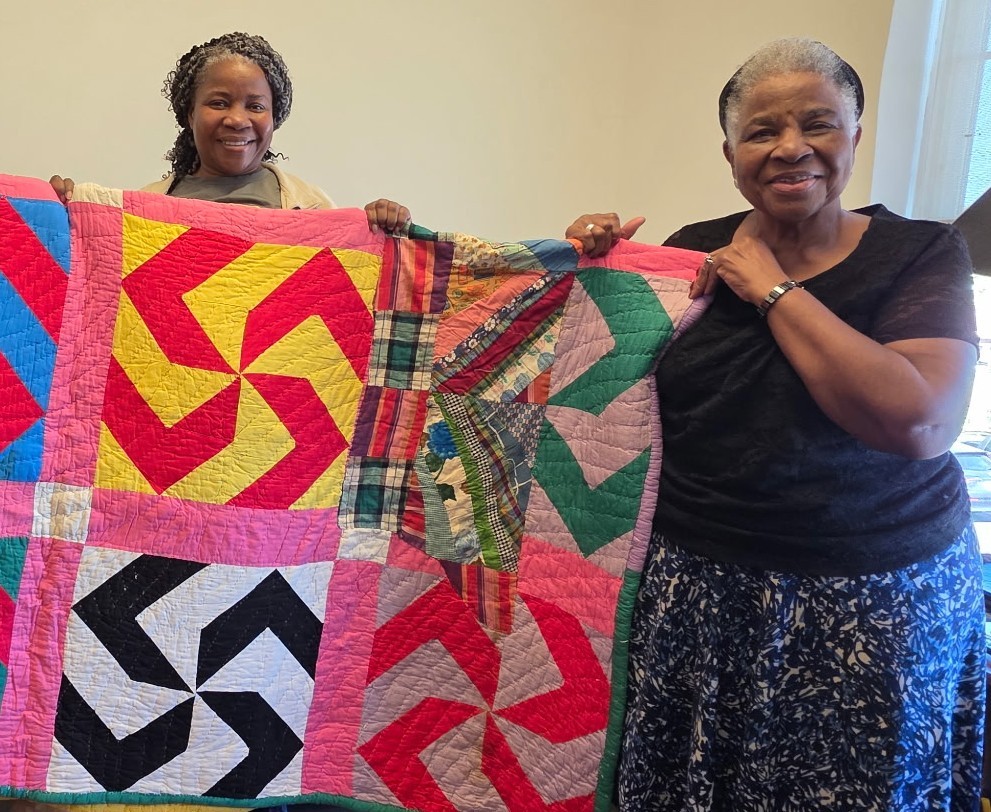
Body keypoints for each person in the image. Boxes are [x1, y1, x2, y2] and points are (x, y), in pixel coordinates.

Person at [566, 37, 984, 811]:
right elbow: (600, 393)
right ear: (729, 153)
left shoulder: (921, 252)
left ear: (855, 136)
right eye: (761, 132)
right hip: (699, 595)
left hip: (871, 601)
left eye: (818, 124)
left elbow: (920, 422)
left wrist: (774, 290)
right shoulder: (693, 250)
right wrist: (593, 270)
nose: (791, 148)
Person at [50, 32, 408, 230]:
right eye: (219, 103)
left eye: (255, 106)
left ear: (274, 117)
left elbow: (351, 291)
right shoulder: (143, 210)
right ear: (189, 113)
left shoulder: (313, 207)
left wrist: (384, 229)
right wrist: (55, 215)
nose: (238, 120)